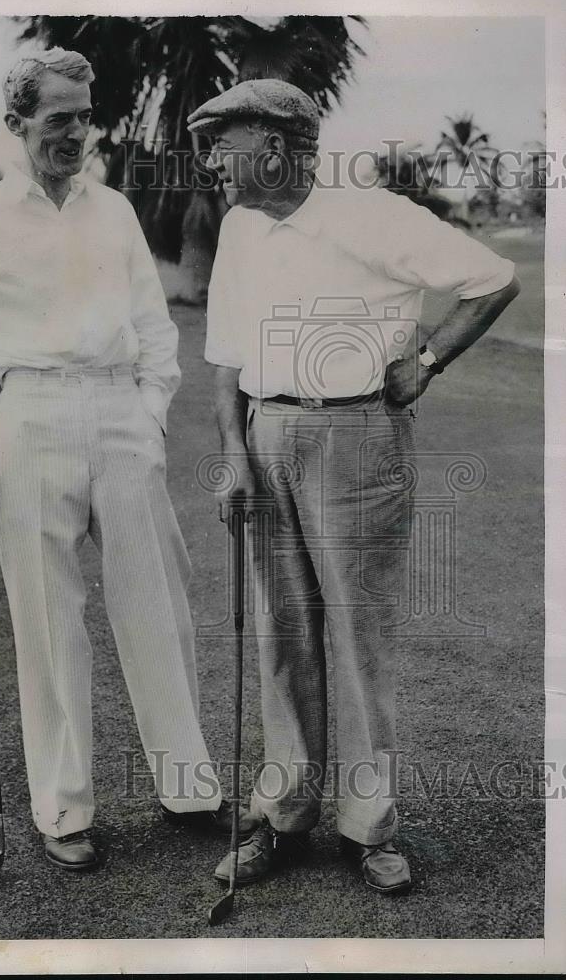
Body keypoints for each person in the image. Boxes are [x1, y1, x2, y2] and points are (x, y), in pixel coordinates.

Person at [0, 48, 257, 872]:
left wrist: (148, 416)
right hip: (28, 417)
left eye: (83, 115)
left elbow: (155, 330)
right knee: (48, 621)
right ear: (18, 123)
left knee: (157, 609)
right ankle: (62, 808)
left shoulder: (113, 211)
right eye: (57, 116)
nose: (74, 132)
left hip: (119, 416)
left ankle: (189, 788)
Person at [187, 79, 520, 893]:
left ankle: (369, 828)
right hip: (266, 433)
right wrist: (231, 450)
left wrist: (426, 362)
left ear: (271, 145)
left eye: (220, 145)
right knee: (281, 633)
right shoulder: (240, 226)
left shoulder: (368, 211)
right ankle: (283, 815)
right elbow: (227, 353)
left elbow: (492, 277)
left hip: (356, 436)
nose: (208, 163)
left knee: (358, 637)